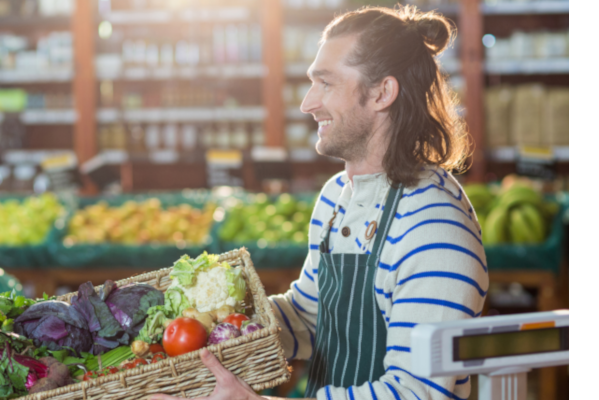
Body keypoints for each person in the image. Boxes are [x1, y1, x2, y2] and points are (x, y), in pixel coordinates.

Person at [152, 6, 488, 400]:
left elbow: (417, 393)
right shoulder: (336, 195)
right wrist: (211, 318)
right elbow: (311, 319)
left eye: (325, 83)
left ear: (382, 92)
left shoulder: (434, 228)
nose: (307, 103)